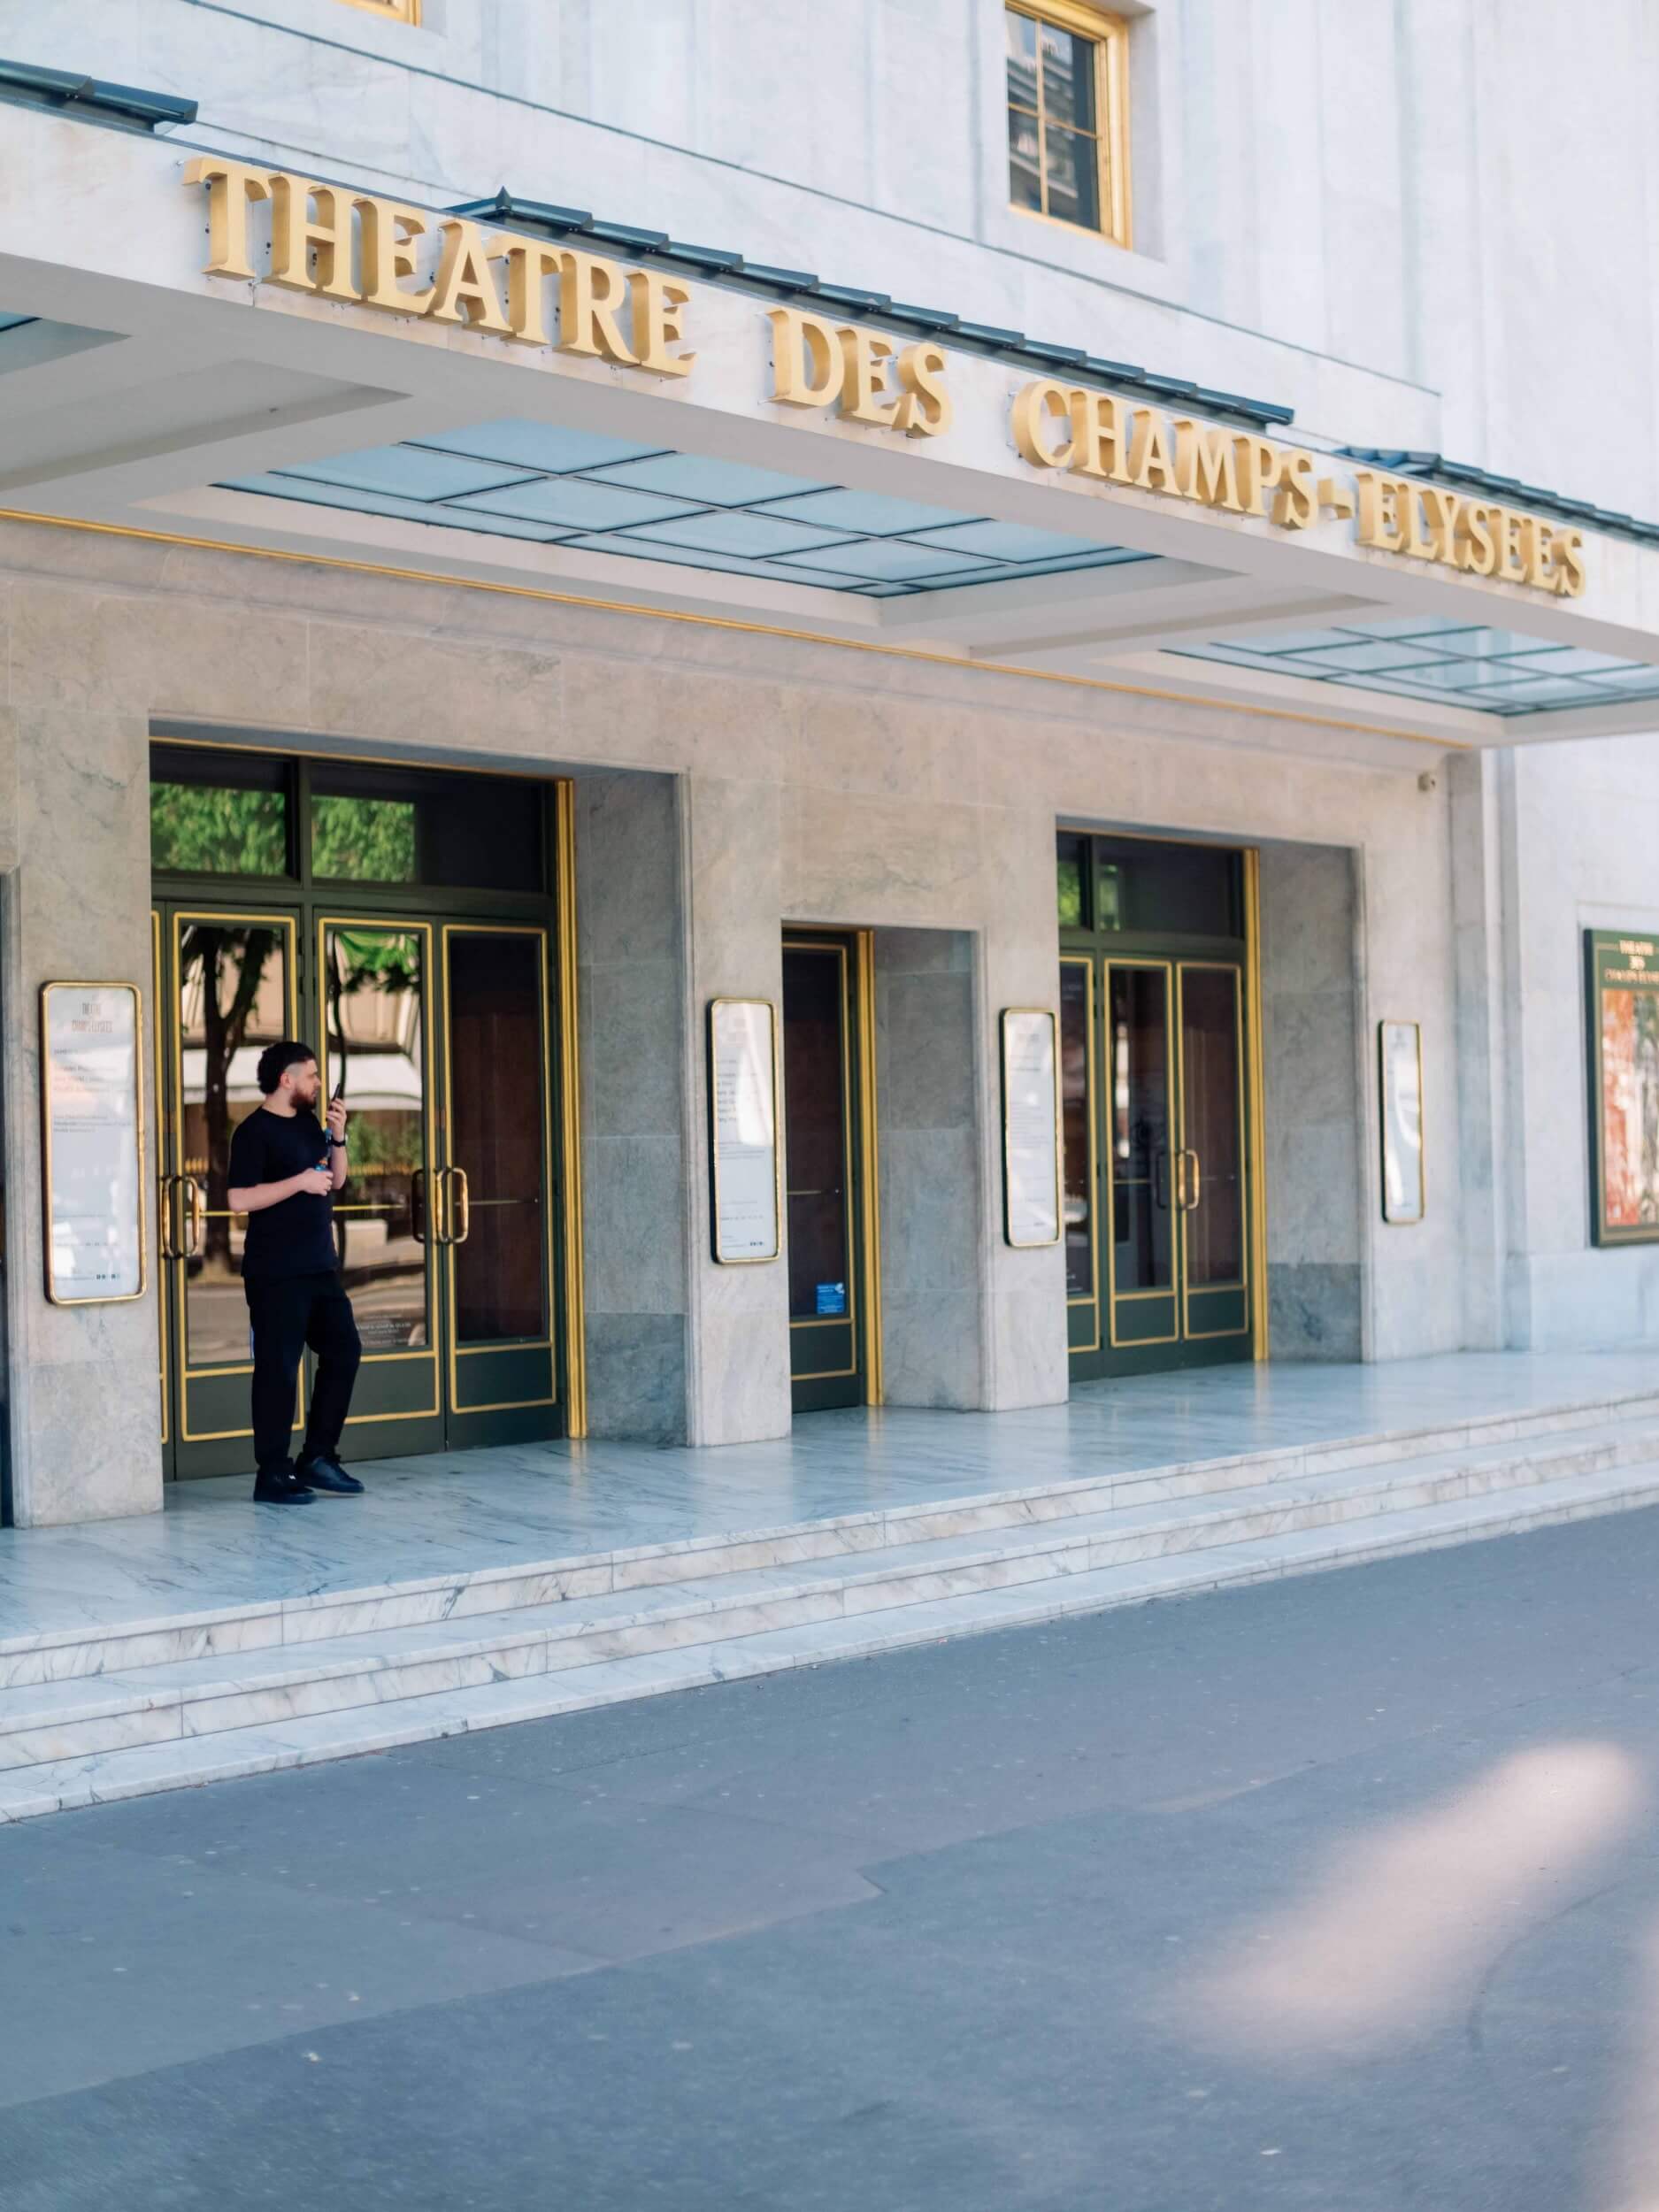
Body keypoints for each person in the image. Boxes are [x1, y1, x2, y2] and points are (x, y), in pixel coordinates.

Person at [227, 1040, 365, 1505]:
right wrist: (299, 1183)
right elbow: (239, 1199)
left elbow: (337, 1179)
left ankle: (318, 1456)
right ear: (286, 1079)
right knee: (279, 1371)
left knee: (345, 1351)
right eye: (311, 1075)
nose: (318, 1083)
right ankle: (272, 1472)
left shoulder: (311, 1126)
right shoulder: (252, 1133)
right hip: (275, 1273)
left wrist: (338, 1136)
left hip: (319, 1267)